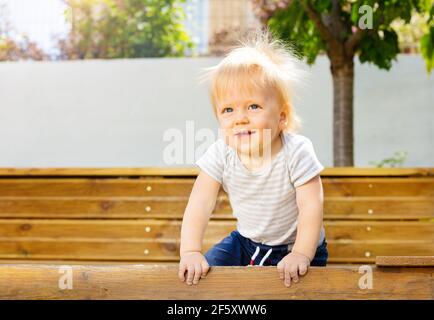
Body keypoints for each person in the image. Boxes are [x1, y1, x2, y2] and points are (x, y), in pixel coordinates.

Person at [178, 29, 327, 288]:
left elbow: (311, 206)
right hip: (246, 243)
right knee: (204, 277)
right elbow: (199, 204)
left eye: (253, 106)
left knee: (290, 288)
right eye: (228, 110)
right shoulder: (221, 153)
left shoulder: (297, 151)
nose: (240, 118)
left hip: (294, 246)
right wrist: (190, 251)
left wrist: (301, 253)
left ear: (282, 117)